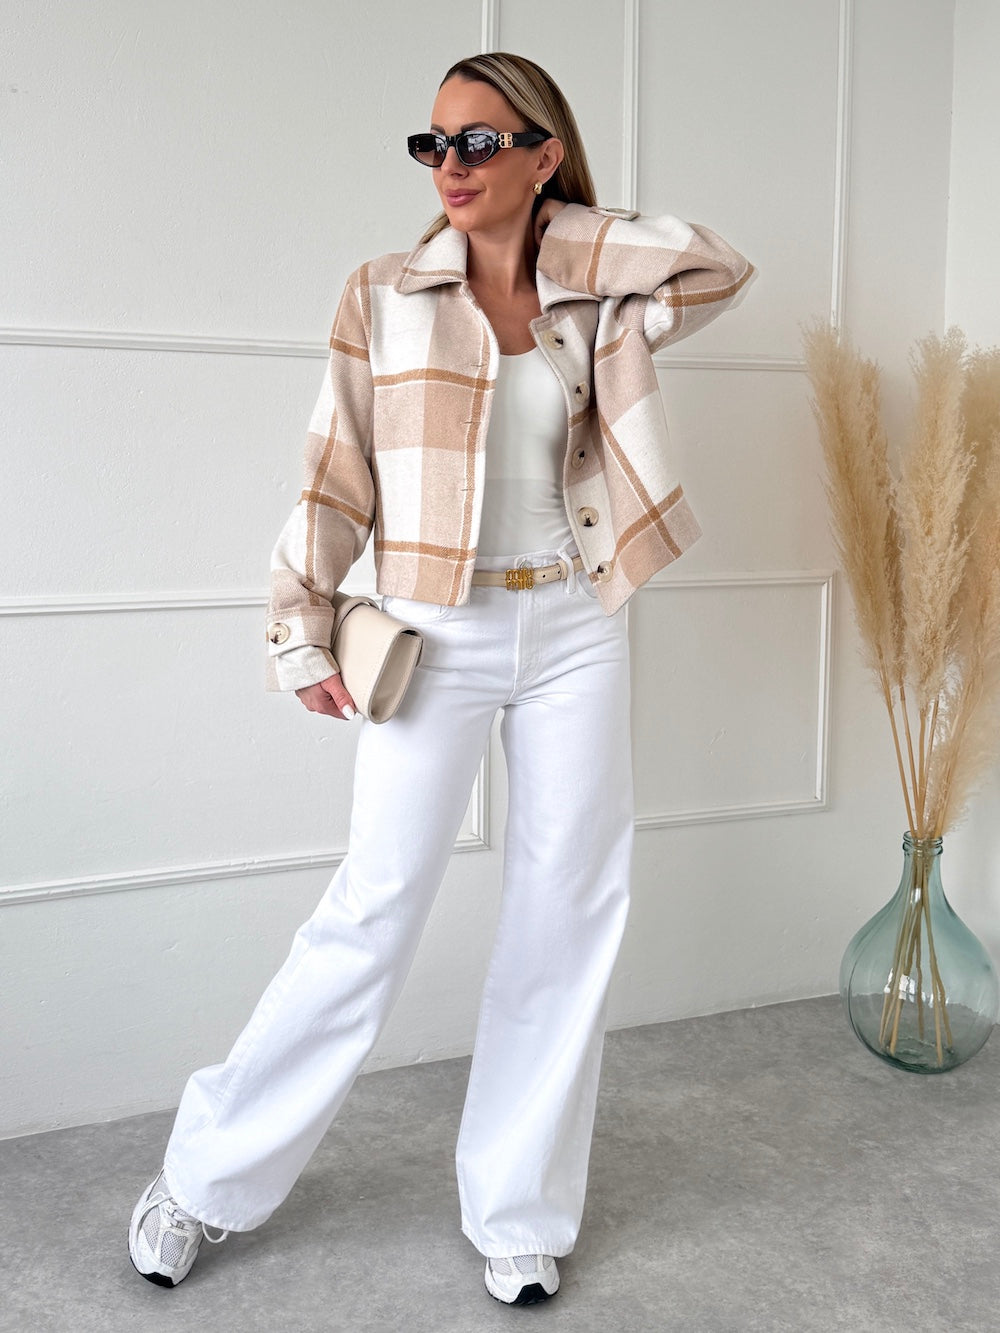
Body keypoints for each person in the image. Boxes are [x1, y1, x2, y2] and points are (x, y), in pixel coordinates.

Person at [127, 51, 753, 1307]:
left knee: (565, 913)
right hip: (433, 629)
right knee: (372, 909)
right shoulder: (384, 292)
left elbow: (714, 264)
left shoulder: (599, 298)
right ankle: (202, 1179)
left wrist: (560, 232)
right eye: (431, 144)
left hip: (576, 622)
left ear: (542, 154)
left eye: (477, 141)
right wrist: (301, 627)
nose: (448, 167)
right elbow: (333, 473)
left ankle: (518, 1209)